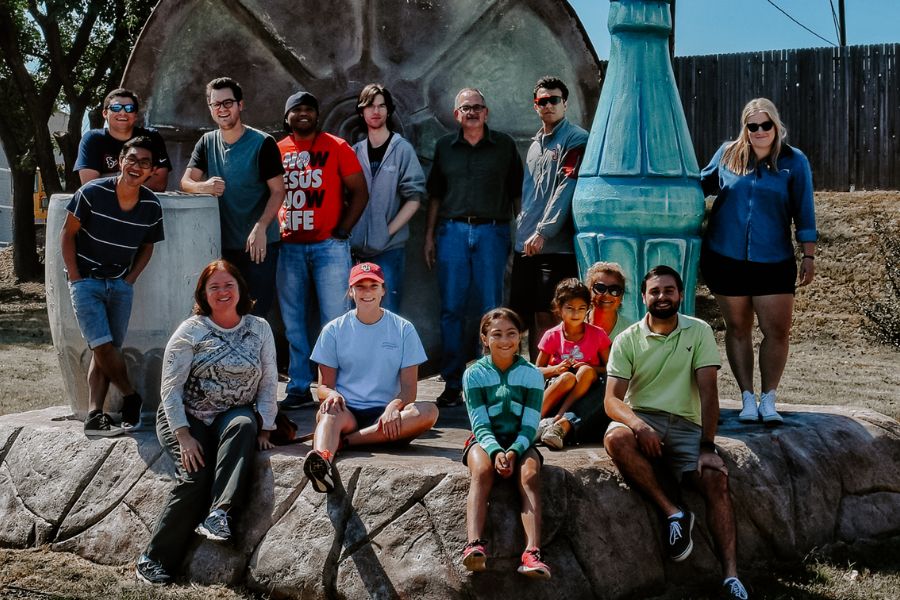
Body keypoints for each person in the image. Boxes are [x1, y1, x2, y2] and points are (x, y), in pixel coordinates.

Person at [603, 266, 749, 600]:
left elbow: (709, 393)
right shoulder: (626, 339)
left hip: (686, 425)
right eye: (655, 291)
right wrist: (639, 426)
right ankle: (674, 512)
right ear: (643, 297)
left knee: (716, 479)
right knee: (615, 438)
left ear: (680, 295)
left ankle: (731, 577)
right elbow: (611, 401)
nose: (662, 297)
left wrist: (707, 445)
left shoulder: (698, 331)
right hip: (643, 418)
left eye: (669, 290)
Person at [135, 259, 277, 585]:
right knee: (195, 478)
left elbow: (269, 381)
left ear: (240, 289)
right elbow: (169, 389)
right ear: (204, 293)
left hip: (232, 412)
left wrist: (267, 425)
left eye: (229, 285)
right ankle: (153, 558)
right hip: (187, 415)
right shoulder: (192, 331)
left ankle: (220, 514)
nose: (223, 292)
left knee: (244, 424)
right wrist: (183, 435)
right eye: (214, 287)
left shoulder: (259, 328)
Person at [700, 98, 816, 425]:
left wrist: (808, 253)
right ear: (745, 128)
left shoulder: (794, 162)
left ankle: (769, 399)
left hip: (774, 259)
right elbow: (697, 185)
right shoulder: (727, 155)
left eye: (767, 124)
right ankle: (747, 399)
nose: (761, 131)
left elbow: (804, 210)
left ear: (776, 126)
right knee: (738, 328)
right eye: (754, 126)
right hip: (725, 257)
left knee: (776, 331)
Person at [424, 87, 523, 407]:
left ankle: (493, 380)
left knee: (492, 309)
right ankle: (453, 383)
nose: (472, 112)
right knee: (451, 309)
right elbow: (435, 195)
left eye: (478, 107)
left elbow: (517, 195)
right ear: (456, 114)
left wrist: (518, 234)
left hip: (492, 232)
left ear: (486, 112)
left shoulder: (504, 147)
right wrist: (429, 236)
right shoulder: (444, 148)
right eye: (466, 108)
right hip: (452, 231)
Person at [302, 262, 438, 493]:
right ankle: (323, 461)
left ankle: (345, 442)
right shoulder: (334, 329)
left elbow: (409, 389)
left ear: (383, 290)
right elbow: (324, 386)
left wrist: (394, 406)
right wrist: (332, 394)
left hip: (387, 417)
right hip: (349, 411)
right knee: (328, 411)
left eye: (373, 286)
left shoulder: (403, 328)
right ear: (351, 291)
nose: (367, 292)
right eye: (360, 286)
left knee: (429, 411)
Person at [60, 136, 165, 436]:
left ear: (151, 171)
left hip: (120, 284)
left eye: (145, 163)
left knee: (107, 349)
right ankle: (132, 396)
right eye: (132, 159)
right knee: (101, 344)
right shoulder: (92, 193)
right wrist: (75, 276)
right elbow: (67, 234)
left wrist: (130, 279)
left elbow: (148, 245)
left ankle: (95, 415)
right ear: (120, 161)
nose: (137, 167)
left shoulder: (150, 205)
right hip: (86, 282)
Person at [277, 90, 369, 408]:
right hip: (289, 246)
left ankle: (334, 384)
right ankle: (299, 385)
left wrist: (342, 231)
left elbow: (360, 191)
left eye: (309, 109)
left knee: (335, 318)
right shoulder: (277, 151)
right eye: (296, 109)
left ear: (317, 116)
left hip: (329, 246)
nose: (303, 114)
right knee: (293, 320)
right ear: (287, 117)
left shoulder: (336, 146)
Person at [181, 77, 285, 319]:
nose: (222, 109)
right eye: (215, 104)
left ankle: (259, 358)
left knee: (256, 312)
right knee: (225, 311)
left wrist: (261, 227)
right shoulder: (206, 143)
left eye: (228, 102)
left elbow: (278, 191)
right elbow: (186, 182)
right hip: (224, 245)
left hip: (259, 244)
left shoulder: (263, 143)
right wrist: (203, 187)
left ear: (240, 105)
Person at [461, 308, 551, 579]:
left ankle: (532, 552)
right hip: (484, 441)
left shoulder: (532, 373)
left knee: (530, 476)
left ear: (520, 337)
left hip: (520, 441)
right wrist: (495, 450)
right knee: (482, 471)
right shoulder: (473, 374)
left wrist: (513, 450)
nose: (505, 340)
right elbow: (479, 422)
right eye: (496, 334)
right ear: (484, 338)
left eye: (511, 333)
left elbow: (531, 423)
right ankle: (474, 544)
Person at [511, 76, 589, 359]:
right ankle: (531, 379)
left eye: (554, 99)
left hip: (554, 247)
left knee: (549, 318)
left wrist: (544, 231)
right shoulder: (534, 145)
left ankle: (550, 382)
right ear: (535, 106)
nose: (548, 105)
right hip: (525, 245)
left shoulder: (577, 139)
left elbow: (567, 187)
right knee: (522, 318)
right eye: (542, 101)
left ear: (565, 103)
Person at [350, 83, 426, 312]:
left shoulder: (401, 149)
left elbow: (414, 198)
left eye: (382, 106)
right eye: (371, 106)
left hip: (389, 249)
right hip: (356, 251)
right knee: (357, 311)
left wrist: (388, 231)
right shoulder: (354, 151)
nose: (376, 111)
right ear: (361, 111)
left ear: (388, 110)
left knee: (389, 309)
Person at [534, 278, 610, 450]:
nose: (576, 313)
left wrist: (589, 367)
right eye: (570, 308)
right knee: (568, 377)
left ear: (588, 309)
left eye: (581, 308)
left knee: (586, 371)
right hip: (558, 385)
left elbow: (610, 368)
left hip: (587, 390)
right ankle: (534, 422)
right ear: (559, 309)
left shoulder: (597, 334)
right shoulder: (552, 335)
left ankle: (560, 419)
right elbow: (536, 371)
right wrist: (556, 369)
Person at [75, 88, 171, 192]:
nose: (123, 112)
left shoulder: (151, 137)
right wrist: (137, 181)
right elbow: (90, 186)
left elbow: (159, 184)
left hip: (144, 204)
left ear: (135, 115)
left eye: (129, 108)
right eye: (116, 108)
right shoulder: (92, 139)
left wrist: (108, 181)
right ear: (104, 113)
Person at [586, 261, 632, 341]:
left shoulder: (631, 332)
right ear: (589, 291)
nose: (607, 294)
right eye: (600, 288)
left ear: (622, 295)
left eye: (615, 290)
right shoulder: (573, 325)